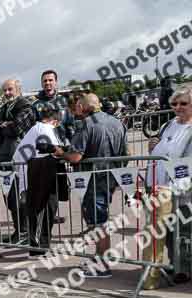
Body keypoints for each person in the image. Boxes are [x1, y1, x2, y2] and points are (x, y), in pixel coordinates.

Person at [54, 93, 128, 278]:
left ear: (82, 107)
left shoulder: (86, 123)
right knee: (100, 219)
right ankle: (99, 259)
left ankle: (102, 265)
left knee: (98, 223)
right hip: (110, 177)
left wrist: (60, 152)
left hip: (93, 180)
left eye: (78, 106)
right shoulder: (117, 122)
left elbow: (76, 156)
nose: (76, 109)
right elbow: (127, 153)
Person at [145, 87, 192, 286]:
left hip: (184, 188)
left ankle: (183, 269)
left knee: (184, 230)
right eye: (174, 104)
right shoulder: (168, 124)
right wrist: (152, 146)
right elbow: (160, 153)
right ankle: (170, 268)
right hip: (161, 186)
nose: (178, 107)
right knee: (164, 230)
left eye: (183, 103)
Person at [0, 79, 36, 243]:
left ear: (18, 89)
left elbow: (17, 128)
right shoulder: (5, 107)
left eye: (10, 89)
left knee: (20, 196)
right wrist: (2, 124)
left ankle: (26, 232)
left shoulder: (25, 105)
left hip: (20, 157)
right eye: (5, 90)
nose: (7, 93)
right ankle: (19, 230)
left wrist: (1, 126)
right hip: (5, 157)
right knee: (9, 196)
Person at [13, 109, 64, 253]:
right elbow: (51, 149)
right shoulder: (45, 128)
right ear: (55, 121)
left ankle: (39, 245)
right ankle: (38, 247)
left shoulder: (37, 128)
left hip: (31, 172)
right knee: (42, 211)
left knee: (40, 210)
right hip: (37, 174)